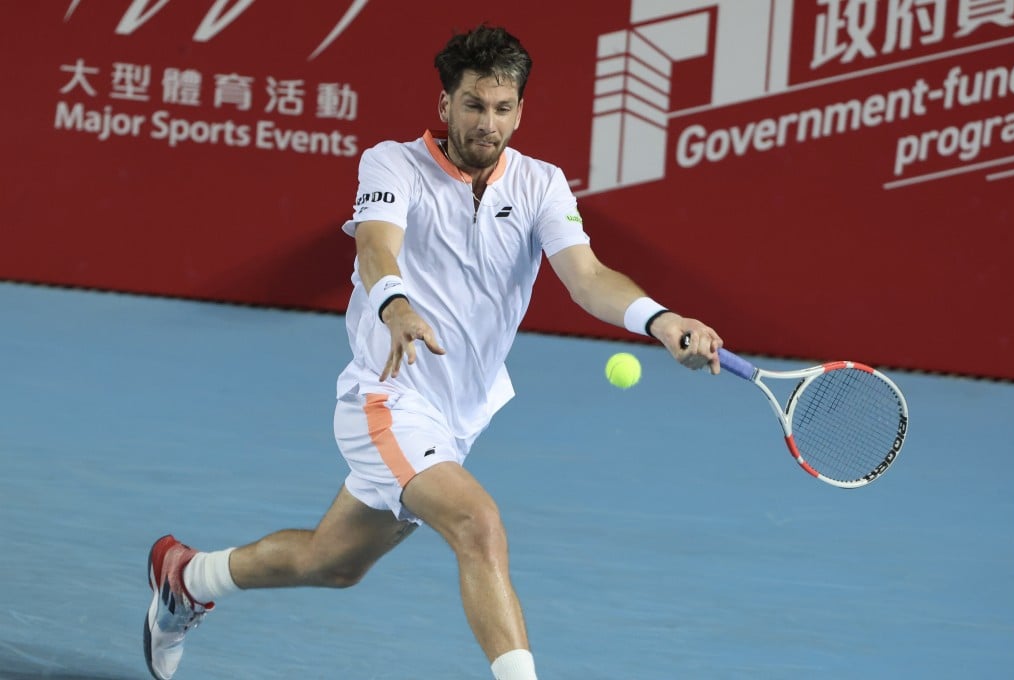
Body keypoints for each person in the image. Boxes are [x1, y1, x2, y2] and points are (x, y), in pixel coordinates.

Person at [143, 23, 723, 680]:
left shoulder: (541, 184)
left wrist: (660, 318)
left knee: (332, 563)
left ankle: (188, 578)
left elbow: (587, 277)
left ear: (520, 111)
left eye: (503, 109)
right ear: (445, 104)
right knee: (479, 523)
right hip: (389, 395)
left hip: (457, 416)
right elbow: (375, 245)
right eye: (474, 105)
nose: (488, 123)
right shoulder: (391, 164)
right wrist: (395, 303)